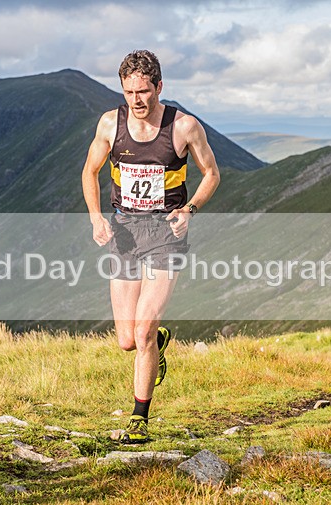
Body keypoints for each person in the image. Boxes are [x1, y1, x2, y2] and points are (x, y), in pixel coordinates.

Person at [81, 50, 220, 443]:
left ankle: (139, 420)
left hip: (166, 234)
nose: (136, 101)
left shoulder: (184, 127)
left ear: (160, 87)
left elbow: (212, 173)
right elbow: (90, 172)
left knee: (141, 330)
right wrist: (95, 216)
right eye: (129, 92)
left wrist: (190, 209)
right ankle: (156, 343)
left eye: (143, 92)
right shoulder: (111, 124)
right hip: (124, 232)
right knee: (127, 340)